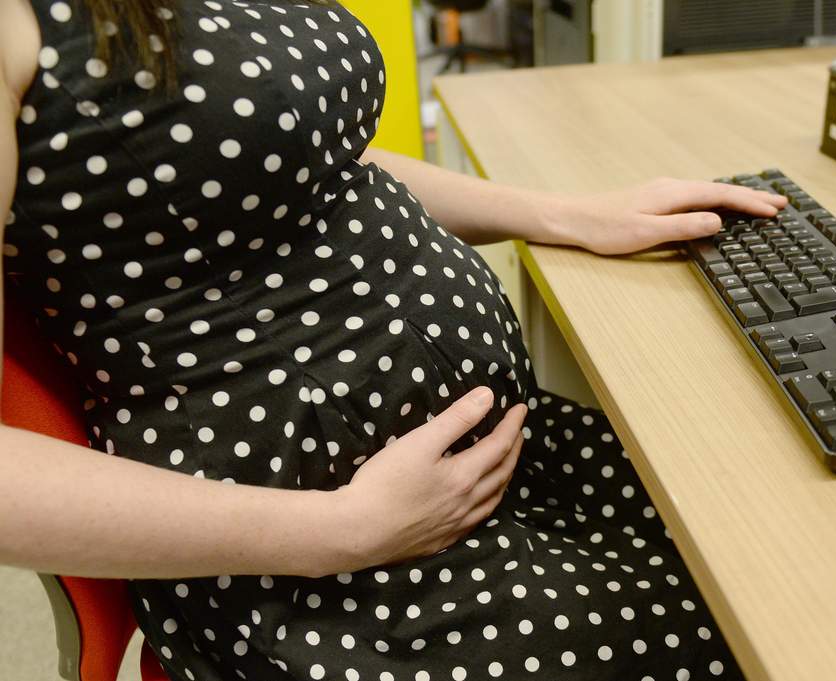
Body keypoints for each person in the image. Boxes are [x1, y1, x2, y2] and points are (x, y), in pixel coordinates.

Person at [0, 1, 787, 679]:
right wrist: (341, 532)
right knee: (763, 642)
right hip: (326, 565)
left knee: (760, 543)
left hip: (488, 470)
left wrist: (567, 214)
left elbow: (313, 159)